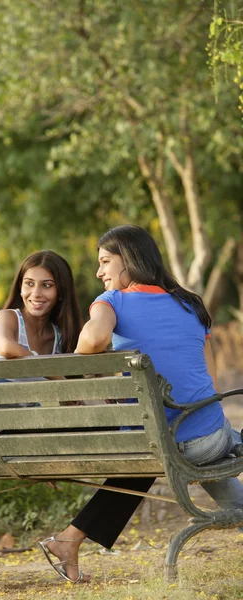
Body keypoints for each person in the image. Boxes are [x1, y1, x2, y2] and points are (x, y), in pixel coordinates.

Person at [38, 224, 243, 584]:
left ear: (128, 263)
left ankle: (70, 540)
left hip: (153, 442)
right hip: (203, 439)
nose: (100, 272)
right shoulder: (190, 302)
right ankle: (69, 541)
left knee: (170, 445)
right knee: (221, 442)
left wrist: (77, 366)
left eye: (105, 262)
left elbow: (96, 336)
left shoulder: (112, 302)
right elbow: (202, 379)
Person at [0, 250, 83, 401]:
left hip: (36, 421)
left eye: (47, 285)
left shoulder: (58, 336)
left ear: (60, 292)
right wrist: (58, 379)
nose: (36, 293)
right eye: (29, 283)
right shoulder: (7, 318)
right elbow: (6, 348)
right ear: (20, 288)